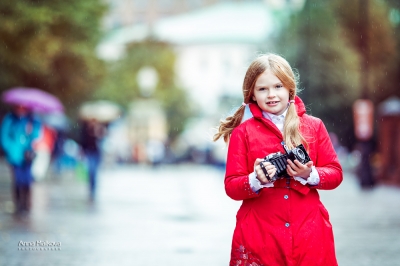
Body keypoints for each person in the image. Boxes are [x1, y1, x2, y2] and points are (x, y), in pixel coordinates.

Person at [214, 53, 343, 266]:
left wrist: (309, 174)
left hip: (309, 234)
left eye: (278, 86)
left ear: (289, 88)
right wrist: (255, 179)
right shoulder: (242, 133)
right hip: (260, 236)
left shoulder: (314, 126)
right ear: (252, 95)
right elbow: (231, 186)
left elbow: (335, 173)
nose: (271, 94)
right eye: (262, 89)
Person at [0, 105, 42, 215]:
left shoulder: (33, 120)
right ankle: (18, 204)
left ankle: (26, 204)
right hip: (15, 155)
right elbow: (4, 136)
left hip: (28, 155)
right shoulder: (10, 119)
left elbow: (37, 136)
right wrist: (10, 148)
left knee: (27, 180)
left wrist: (30, 131)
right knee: (18, 180)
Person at [80, 118, 106, 202]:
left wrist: (99, 133)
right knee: (91, 171)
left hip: (96, 154)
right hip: (89, 153)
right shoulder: (86, 131)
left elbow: (103, 141)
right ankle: (91, 187)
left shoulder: (99, 131)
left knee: (94, 171)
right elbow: (83, 142)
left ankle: (93, 188)